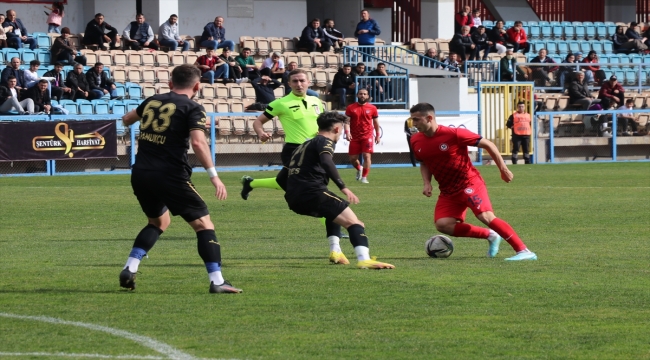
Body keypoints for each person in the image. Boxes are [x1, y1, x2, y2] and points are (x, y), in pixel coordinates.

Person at [119, 64, 241, 294]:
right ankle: (217, 281)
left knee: (159, 222)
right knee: (204, 225)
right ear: (197, 86)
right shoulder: (193, 107)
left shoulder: (153, 100)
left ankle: (130, 267)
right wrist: (214, 176)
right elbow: (198, 143)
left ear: (170, 83)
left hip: (141, 173)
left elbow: (127, 119)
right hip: (171, 175)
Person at [409, 102, 537, 261]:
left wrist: (503, 169)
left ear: (429, 118)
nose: (414, 124)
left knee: (486, 216)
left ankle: (524, 251)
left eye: (416, 119)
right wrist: (427, 183)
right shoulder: (416, 140)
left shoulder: (454, 134)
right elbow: (423, 162)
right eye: (412, 120)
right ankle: (490, 236)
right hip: (448, 191)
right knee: (443, 225)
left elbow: (488, 144)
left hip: (469, 183)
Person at [241, 69, 346, 262]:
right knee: (319, 192)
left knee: (286, 182)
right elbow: (258, 122)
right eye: (295, 81)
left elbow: (326, 125)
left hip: (315, 149)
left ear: (309, 82)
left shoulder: (317, 102)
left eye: (302, 81)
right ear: (289, 84)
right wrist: (261, 133)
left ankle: (251, 183)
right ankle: (336, 235)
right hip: (295, 151)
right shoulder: (281, 103)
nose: (299, 84)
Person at [284, 111, 395, 270]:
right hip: (312, 192)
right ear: (336, 129)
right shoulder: (325, 142)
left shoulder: (303, 145)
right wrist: (343, 187)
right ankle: (364, 259)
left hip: (294, 197)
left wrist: (296, 191)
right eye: (342, 128)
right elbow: (327, 162)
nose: (342, 132)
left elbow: (283, 176)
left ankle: (335, 251)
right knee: (355, 223)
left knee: (332, 213)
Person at [344, 88, 379, 183]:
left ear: (367, 96)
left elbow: (375, 123)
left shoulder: (372, 108)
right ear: (357, 95)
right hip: (354, 137)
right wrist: (347, 132)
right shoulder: (350, 108)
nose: (362, 96)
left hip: (367, 136)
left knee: (367, 156)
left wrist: (377, 135)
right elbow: (346, 122)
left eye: (364, 94)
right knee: (352, 159)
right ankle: (359, 168)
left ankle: (364, 177)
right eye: (360, 94)